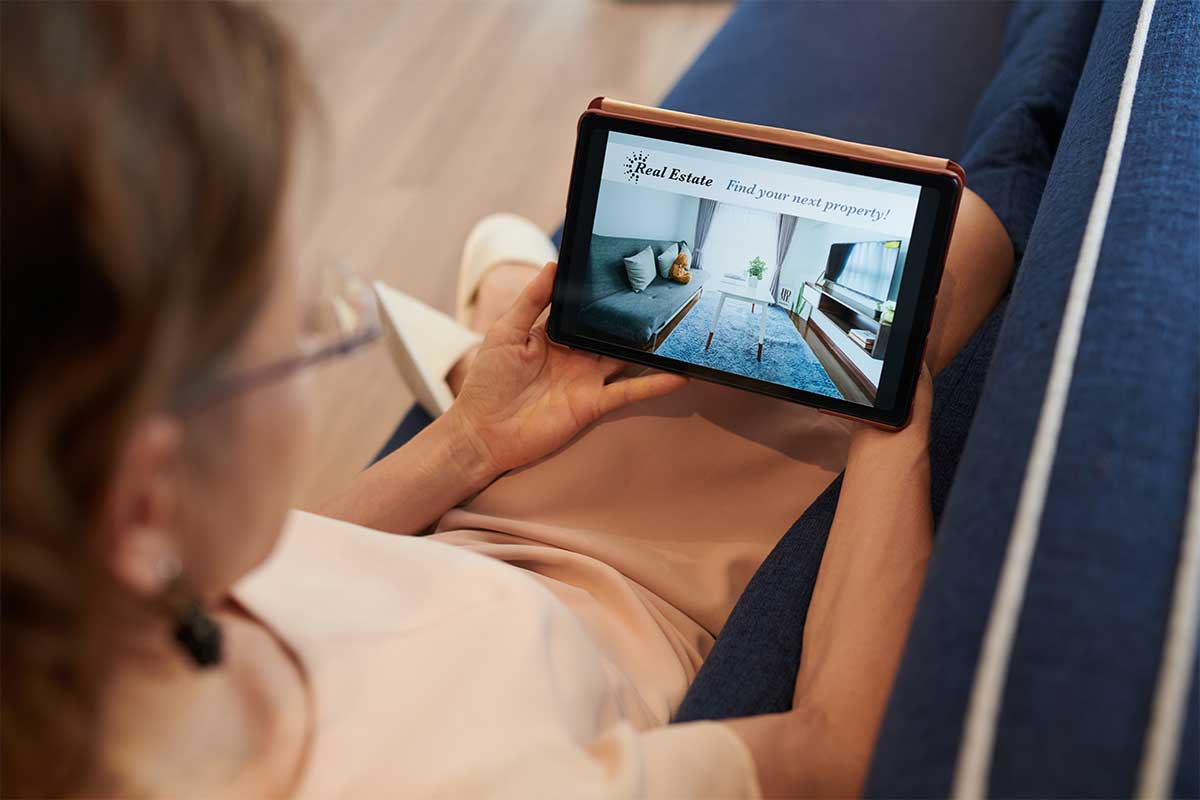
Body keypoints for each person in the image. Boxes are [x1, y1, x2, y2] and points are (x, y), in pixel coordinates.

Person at [0, 2, 1013, 798]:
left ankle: (487, 317)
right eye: (306, 331)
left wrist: (470, 437)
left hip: (509, 489)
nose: (314, 337)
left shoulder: (113, 619)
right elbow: (836, 759)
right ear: (143, 504)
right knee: (985, 212)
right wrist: (895, 402)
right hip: (672, 572)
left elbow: (298, 556)